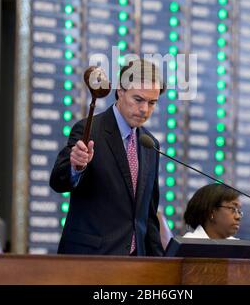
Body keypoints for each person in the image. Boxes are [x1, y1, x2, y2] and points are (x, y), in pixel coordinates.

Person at [50, 58, 165, 256]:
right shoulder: (89, 130)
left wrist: (161, 265)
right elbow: (58, 181)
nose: (145, 109)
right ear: (120, 91)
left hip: (135, 264)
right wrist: (76, 167)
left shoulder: (150, 144)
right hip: (92, 259)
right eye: (138, 99)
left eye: (152, 102)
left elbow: (148, 215)